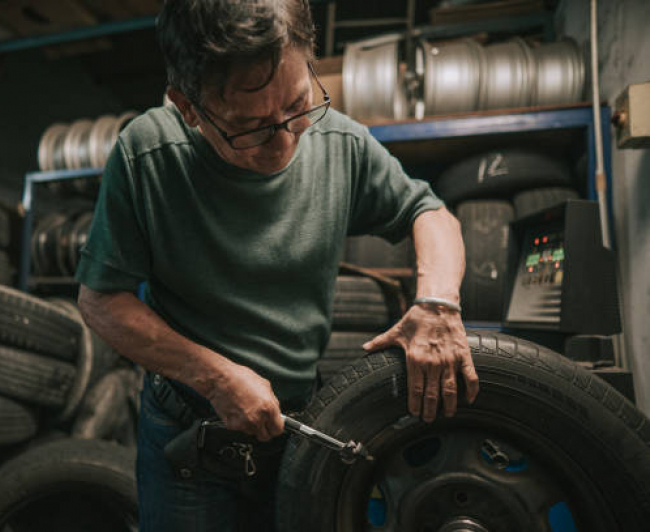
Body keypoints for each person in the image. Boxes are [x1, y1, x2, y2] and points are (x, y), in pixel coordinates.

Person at [76, 0, 479, 529]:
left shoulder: (340, 141)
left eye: (296, 105)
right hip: (189, 435)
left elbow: (430, 214)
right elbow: (101, 300)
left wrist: (436, 304)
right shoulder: (147, 154)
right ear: (188, 106)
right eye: (251, 128)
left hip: (300, 425)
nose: (285, 139)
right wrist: (217, 379)